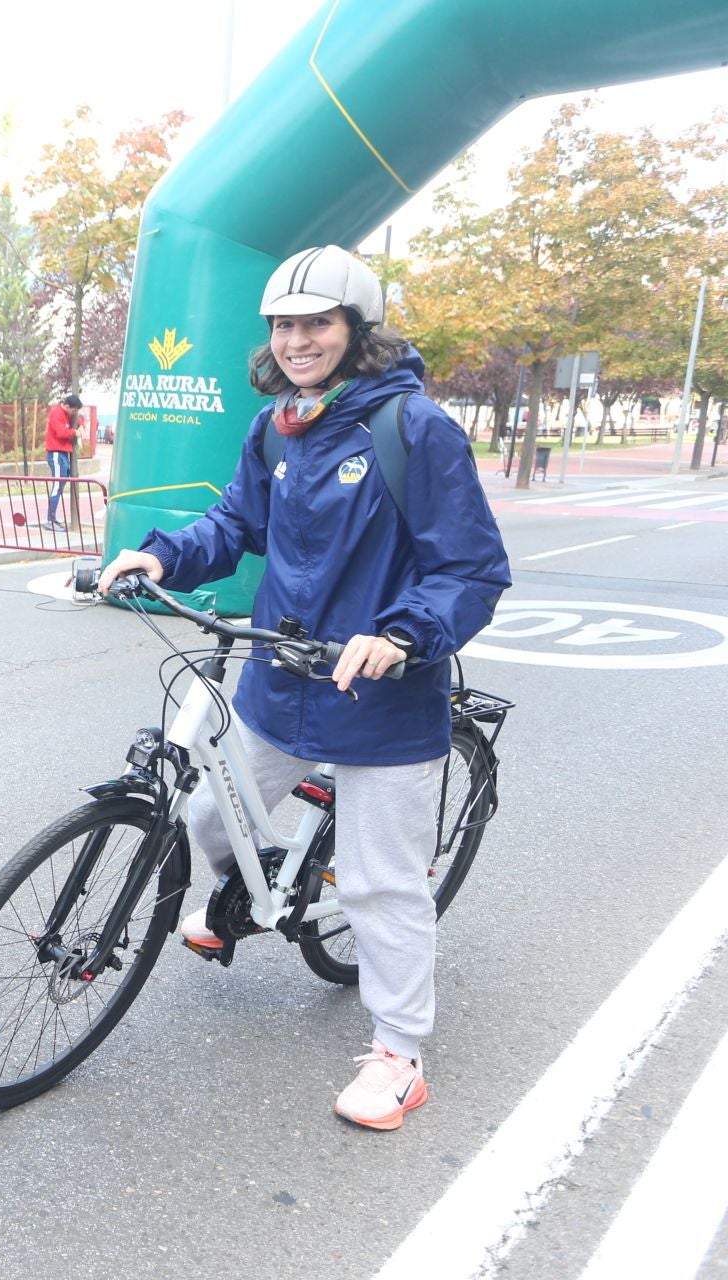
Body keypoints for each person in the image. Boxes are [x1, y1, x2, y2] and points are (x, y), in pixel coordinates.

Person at [98, 244, 511, 1131]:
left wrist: (402, 636)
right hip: (281, 678)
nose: (296, 341)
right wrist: (159, 551)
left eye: (315, 323)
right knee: (208, 816)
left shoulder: (414, 429)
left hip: (385, 696)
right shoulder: (277, 425)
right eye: (284, 325)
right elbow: (235, 522)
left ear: (355, 331)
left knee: (378, 884)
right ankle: (254, 894)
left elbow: (470, 570)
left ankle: (399, 1052)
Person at [44, 393, 82, 531]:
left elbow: (79, 419)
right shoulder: (56, 414)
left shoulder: (67, 413)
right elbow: (61, 432)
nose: (75, 414)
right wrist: (75, 432)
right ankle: (50, 519)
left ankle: (52, 518)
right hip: (56, 453)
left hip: (63, 454)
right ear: (67, 406)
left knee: (60, 485)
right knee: (57, 485)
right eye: (74, 410)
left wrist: (81, 425)